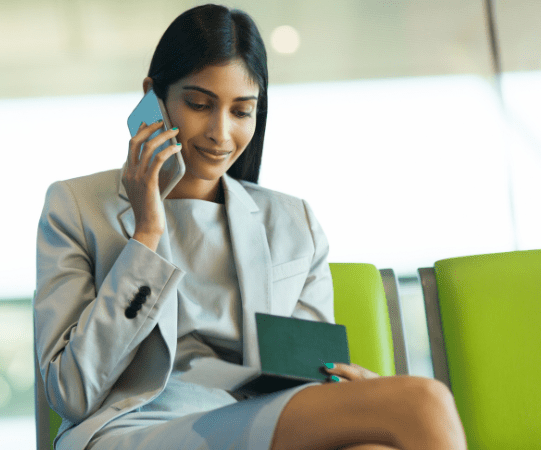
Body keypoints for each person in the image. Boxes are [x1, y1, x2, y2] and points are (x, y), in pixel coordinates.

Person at [35, 4, 468, 450]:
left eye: (241, 111)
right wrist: (146, 233)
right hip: (130, 430)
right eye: (200, 104)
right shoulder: (77, 206)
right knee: (423, 399)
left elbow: (304, 377)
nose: (220, 134)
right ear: (153, 97)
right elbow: (71, 391)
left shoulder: (291, 222)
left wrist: (348, 390)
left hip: (252, 420)